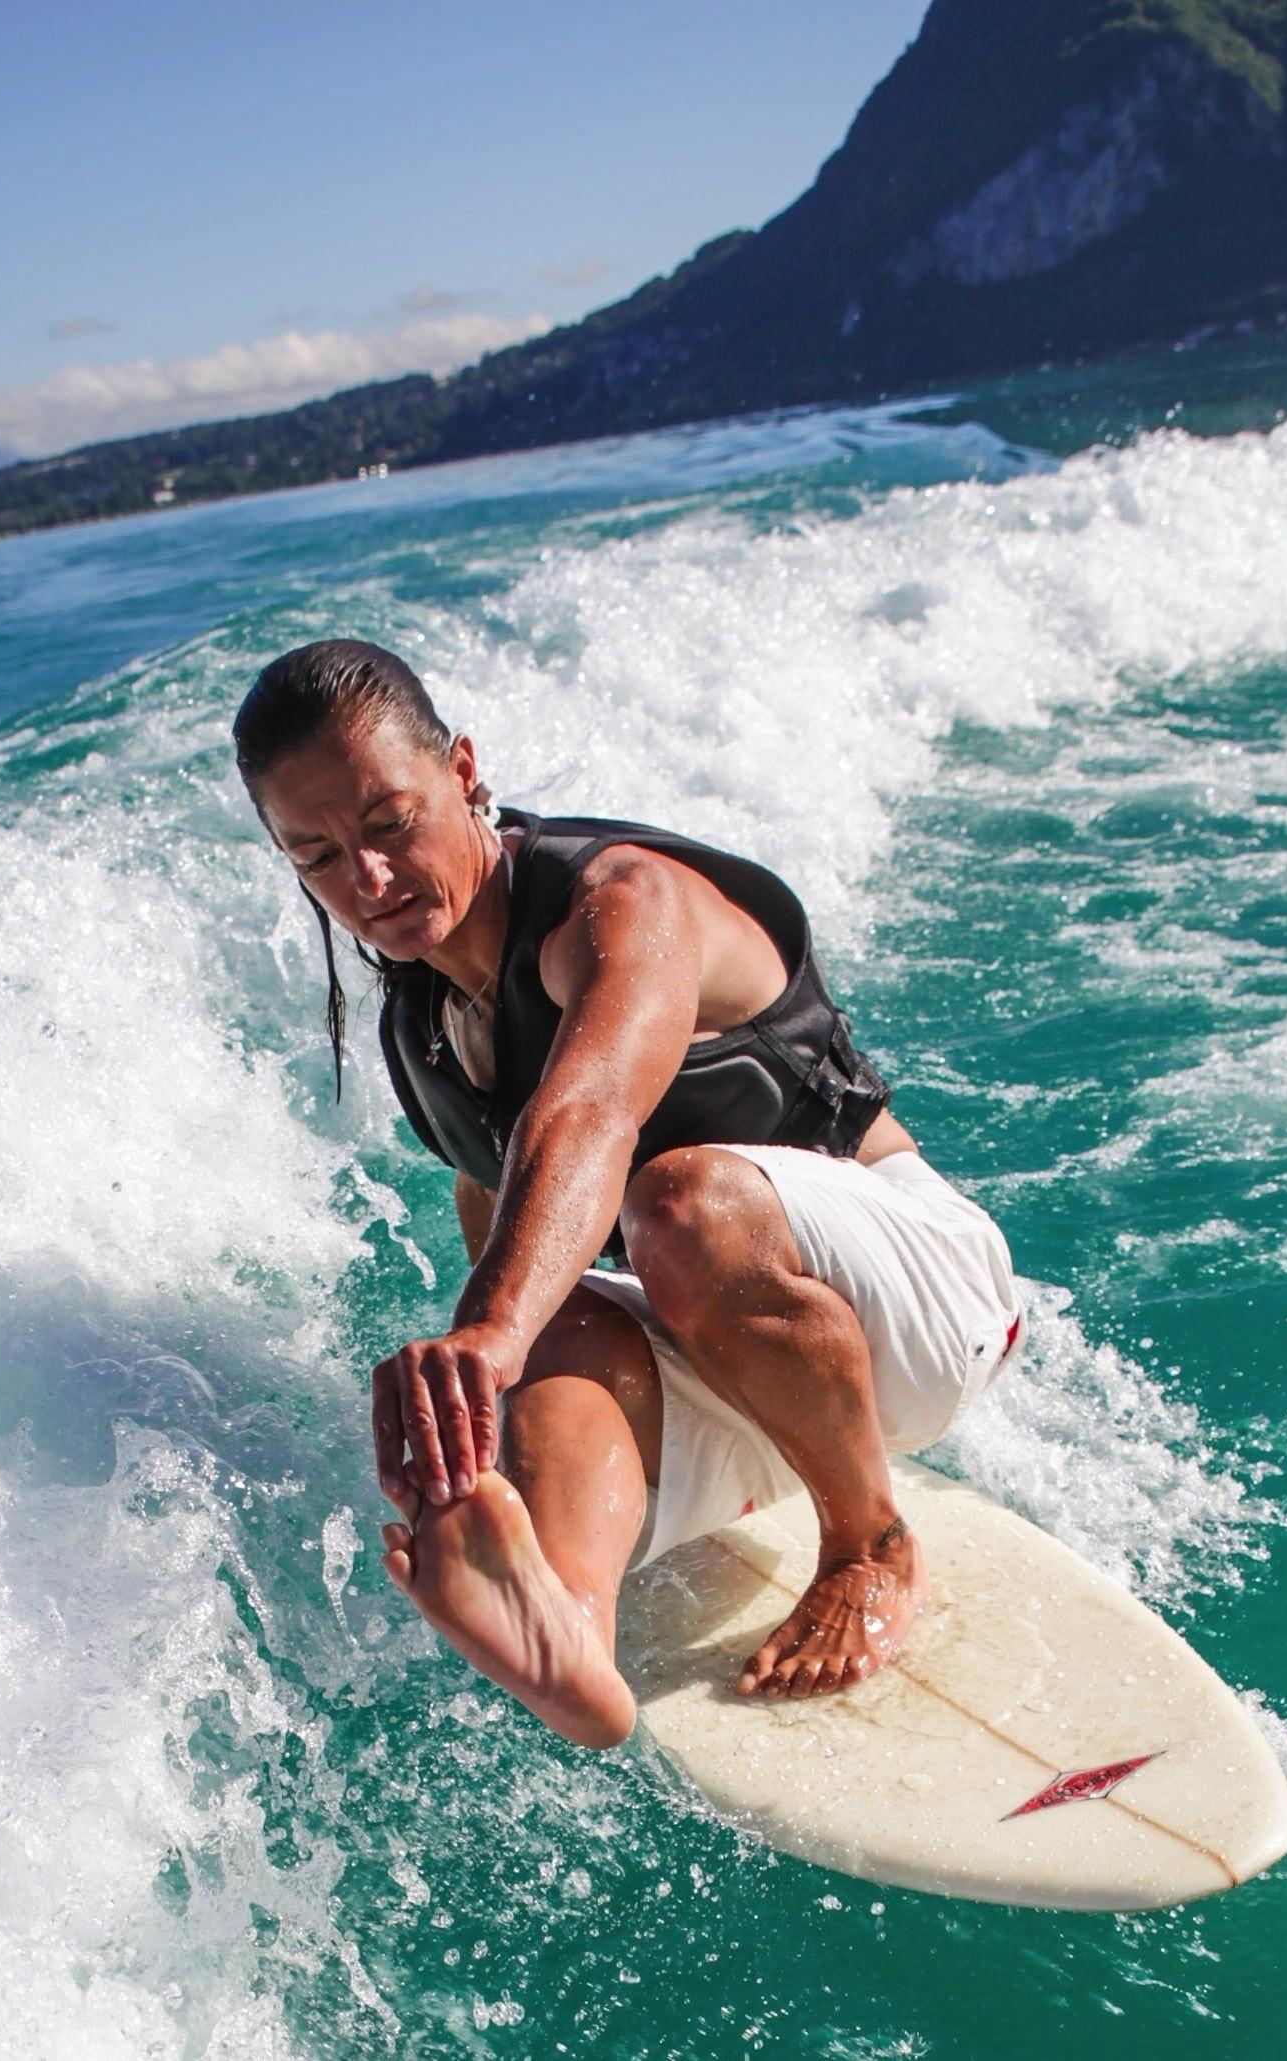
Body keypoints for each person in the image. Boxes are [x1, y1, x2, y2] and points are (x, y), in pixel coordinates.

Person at [234, 639, 1023, 1748]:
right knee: (539, 1323)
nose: (365, 882)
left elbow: (590, 1113)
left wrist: (485, 1341)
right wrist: (490, 1429)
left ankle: (869, 1541)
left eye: (386, 824)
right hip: (749, 1369)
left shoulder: (620, 903)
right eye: (315, 854)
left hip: (923, 1306)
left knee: (674, 1203)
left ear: (463, 771)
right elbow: (503, 1225)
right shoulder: (419, 1025)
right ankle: (565, 1626)